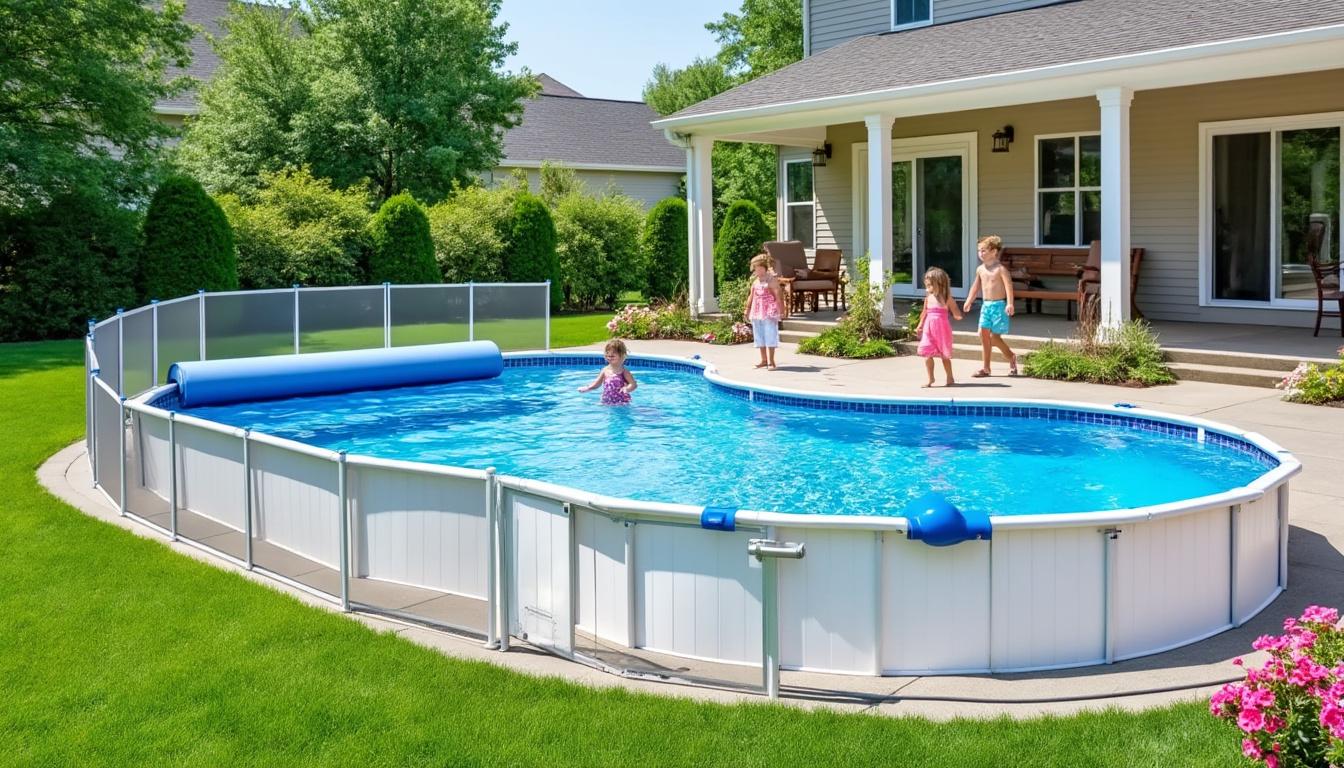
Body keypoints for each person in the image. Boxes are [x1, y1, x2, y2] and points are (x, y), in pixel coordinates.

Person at [962, 235, 1019, 377]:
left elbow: (1009, 287)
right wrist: (969, 300)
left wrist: (1010, 303)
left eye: (983, 250)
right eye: (979, 251)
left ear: (994, 251)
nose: (980, 253)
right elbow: (975, 287)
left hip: (999, 306)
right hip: (986, 305)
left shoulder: (1001, 269)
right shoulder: (980, 269)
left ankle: (1011, 356)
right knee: (983, 335)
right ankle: (986, 368)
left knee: (994, 337)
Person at [914, 267, 963, 387]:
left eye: (930, 285)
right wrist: (920, 325)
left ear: (940, 284)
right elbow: (924, 313)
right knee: (927, 353)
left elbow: (956, 311)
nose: (927, 288)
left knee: (944, 355)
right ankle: (931, 379)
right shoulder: (928, 298)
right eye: (926, 285)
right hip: (928, 329)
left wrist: (957, 315)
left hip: (942, 330)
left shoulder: (947, 298)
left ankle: (950, 377)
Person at [744, 253, 785, 370]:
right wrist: (747, 309)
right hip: (757, 311)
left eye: (759, 268)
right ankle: (763, 360)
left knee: (770, 334)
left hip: (769, 311)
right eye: (755, 269)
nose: (757, 271)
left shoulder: (771, 280)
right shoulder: (755, 282)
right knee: (759, 335)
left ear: (764, 268)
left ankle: (771, 361)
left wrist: (781, 309)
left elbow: (778, 295)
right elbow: (751, 296)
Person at [577, 338, 638, 405]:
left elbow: (633, 384)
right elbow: (597, 383)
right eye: (608, 356)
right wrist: (588, 388)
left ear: (621, 356)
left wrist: (626, 389)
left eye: (612, 356)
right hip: (607, 400)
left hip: (622, 401)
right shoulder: (605, 370)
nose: (610, 358)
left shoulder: (624, 371)